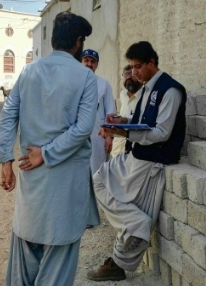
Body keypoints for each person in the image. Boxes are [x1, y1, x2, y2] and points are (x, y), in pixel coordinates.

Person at [0, 11, 100, 286]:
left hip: (32, 178)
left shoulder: (29, 71)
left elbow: (8, 114)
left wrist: (6, 160)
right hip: (64, 181)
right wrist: (48, 153)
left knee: (26, 248)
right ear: (78, 43)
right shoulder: (86, 77)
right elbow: (82, 129)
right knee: (60, 254)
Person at [86, 41, 186, 281]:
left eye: (138, 67)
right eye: (131, 67)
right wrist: (121, 121)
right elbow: (141, 119)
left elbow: (161, 132)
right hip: (136, 155)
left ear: (152, 62)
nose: (134, 73)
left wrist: (125, 133)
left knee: (118, 195)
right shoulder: (147, 87)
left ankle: (118, 263)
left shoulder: (169, 90)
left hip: (152, 160)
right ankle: (136, 223)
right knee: (99, 178)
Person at [81, 49, 116, 174]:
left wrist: (109, 137)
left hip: (97, 138)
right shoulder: (73, 83)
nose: (89, 64)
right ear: (81, 62)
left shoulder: (104, 84)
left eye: (93, 61)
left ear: (97, 64)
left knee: (97, 173)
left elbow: (110, 113)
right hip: (77, 137)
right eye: (86, 60)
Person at [110, 64, 142, 158]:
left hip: (134, 149)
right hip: (117, 149)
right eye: (126, 74)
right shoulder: (123, 95)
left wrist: (125, 120)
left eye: (131, 74)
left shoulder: (145, 96)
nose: (128, 77)